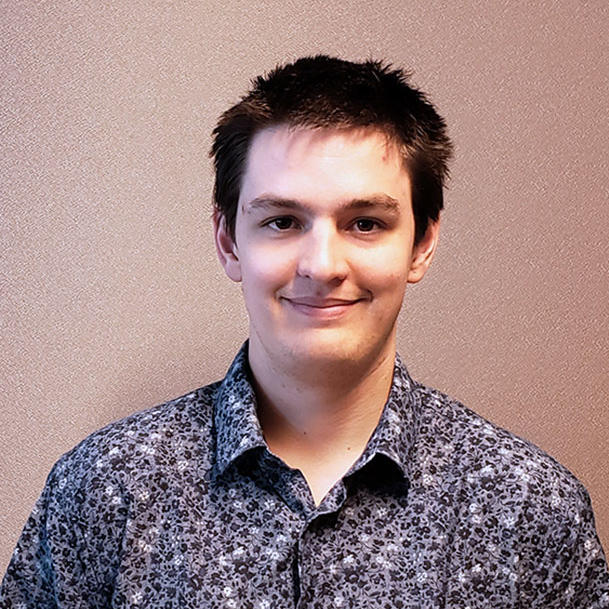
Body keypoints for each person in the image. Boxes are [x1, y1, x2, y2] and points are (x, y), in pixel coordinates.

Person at [1, 55, 608, 608]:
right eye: (283, 221)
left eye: (365, 223)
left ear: (422, 244)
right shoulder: (103, 488)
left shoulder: (530, 510)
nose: (322, 266)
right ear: (228, 241)